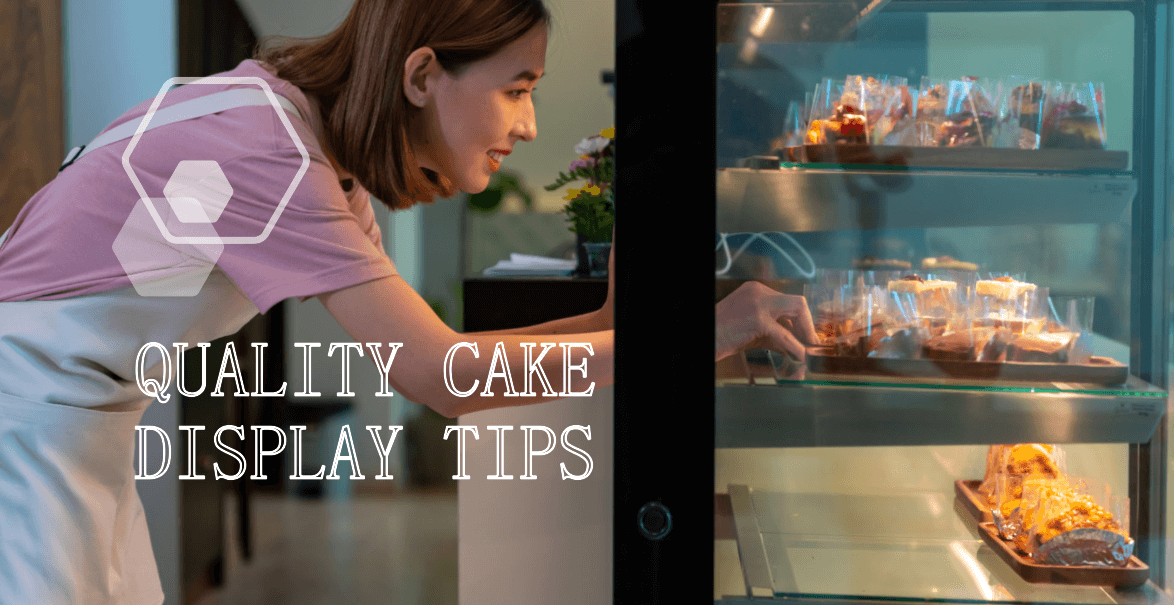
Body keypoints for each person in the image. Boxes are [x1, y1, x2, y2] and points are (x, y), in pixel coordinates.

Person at [0, 0, 812, 602]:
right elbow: (442, 376)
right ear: (423, 75)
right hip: (21, 426)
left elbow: (442, 353)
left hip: (78, 432)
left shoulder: (315, 158)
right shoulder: (269, 153)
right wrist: (696, 336)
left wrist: (625, 320)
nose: (528, 124)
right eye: (517, 88)